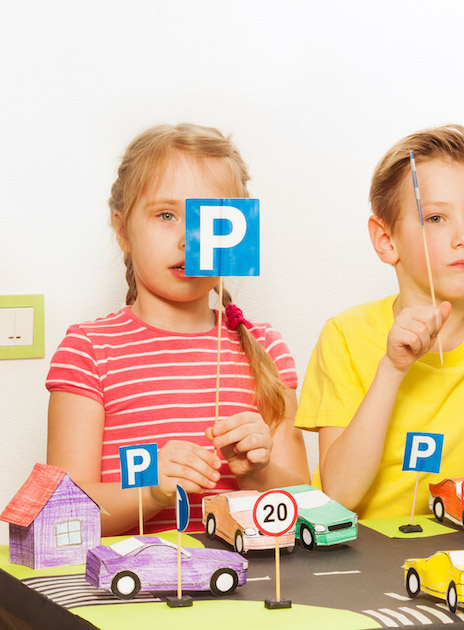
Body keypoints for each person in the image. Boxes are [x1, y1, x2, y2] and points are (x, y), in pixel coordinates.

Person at [296, 125, 464, 519]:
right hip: (366, 556)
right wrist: (393, 369)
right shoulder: (345, 334)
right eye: (436, 218)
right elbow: (339, 494)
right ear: (385, 240)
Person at [46, 123, 310, 535]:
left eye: (211, 219)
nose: (189, 239)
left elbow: (305, 503)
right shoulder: (90, 350)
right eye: (166, 215)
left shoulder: (266, 347)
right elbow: (63, 514)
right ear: (122, 229)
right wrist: (149, 493)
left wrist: (258, 475)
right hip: (135, 585)